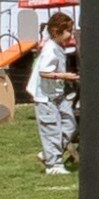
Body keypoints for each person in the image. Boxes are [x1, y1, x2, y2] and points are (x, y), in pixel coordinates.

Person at [28, 11, 83, 177]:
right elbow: (44, 72)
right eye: (68, 31)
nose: (70, 35)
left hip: (58, 96)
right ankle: (53, 165)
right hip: (46, 98)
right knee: (51, 128)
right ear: (55, 32)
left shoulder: (59, 47)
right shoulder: (50, 48)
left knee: (70, 125)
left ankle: (47, 154)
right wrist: (64, 76)